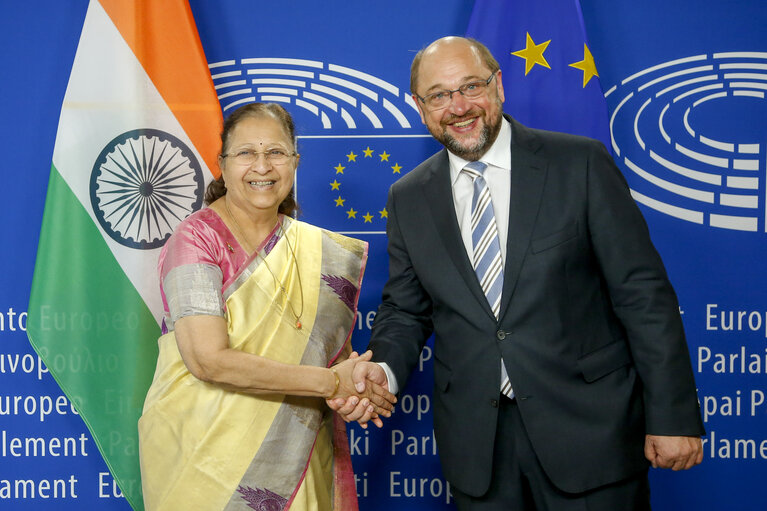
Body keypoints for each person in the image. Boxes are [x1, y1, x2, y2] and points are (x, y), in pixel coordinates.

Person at [331, 37, 705, 510]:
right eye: (440, 95)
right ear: (419, 107)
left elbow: (642, 295)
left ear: (499, 85)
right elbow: (406, 309)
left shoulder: (580, 164)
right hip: (478, 451)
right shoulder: (408, 197)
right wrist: (381, 369)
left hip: (590, 435)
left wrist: (673, 415)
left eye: (471, 86)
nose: (458, 107)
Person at [138, 102, 396, 511]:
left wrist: (358, 390)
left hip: (298, 461)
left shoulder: (321, 253)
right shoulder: (195, 239)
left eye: (275, 152)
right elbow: (208, 361)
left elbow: (333, 360)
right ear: (222, 163)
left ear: (294, 162)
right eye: (246, 153)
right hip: (204, 461)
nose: (262, 166)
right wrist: (332, 384)